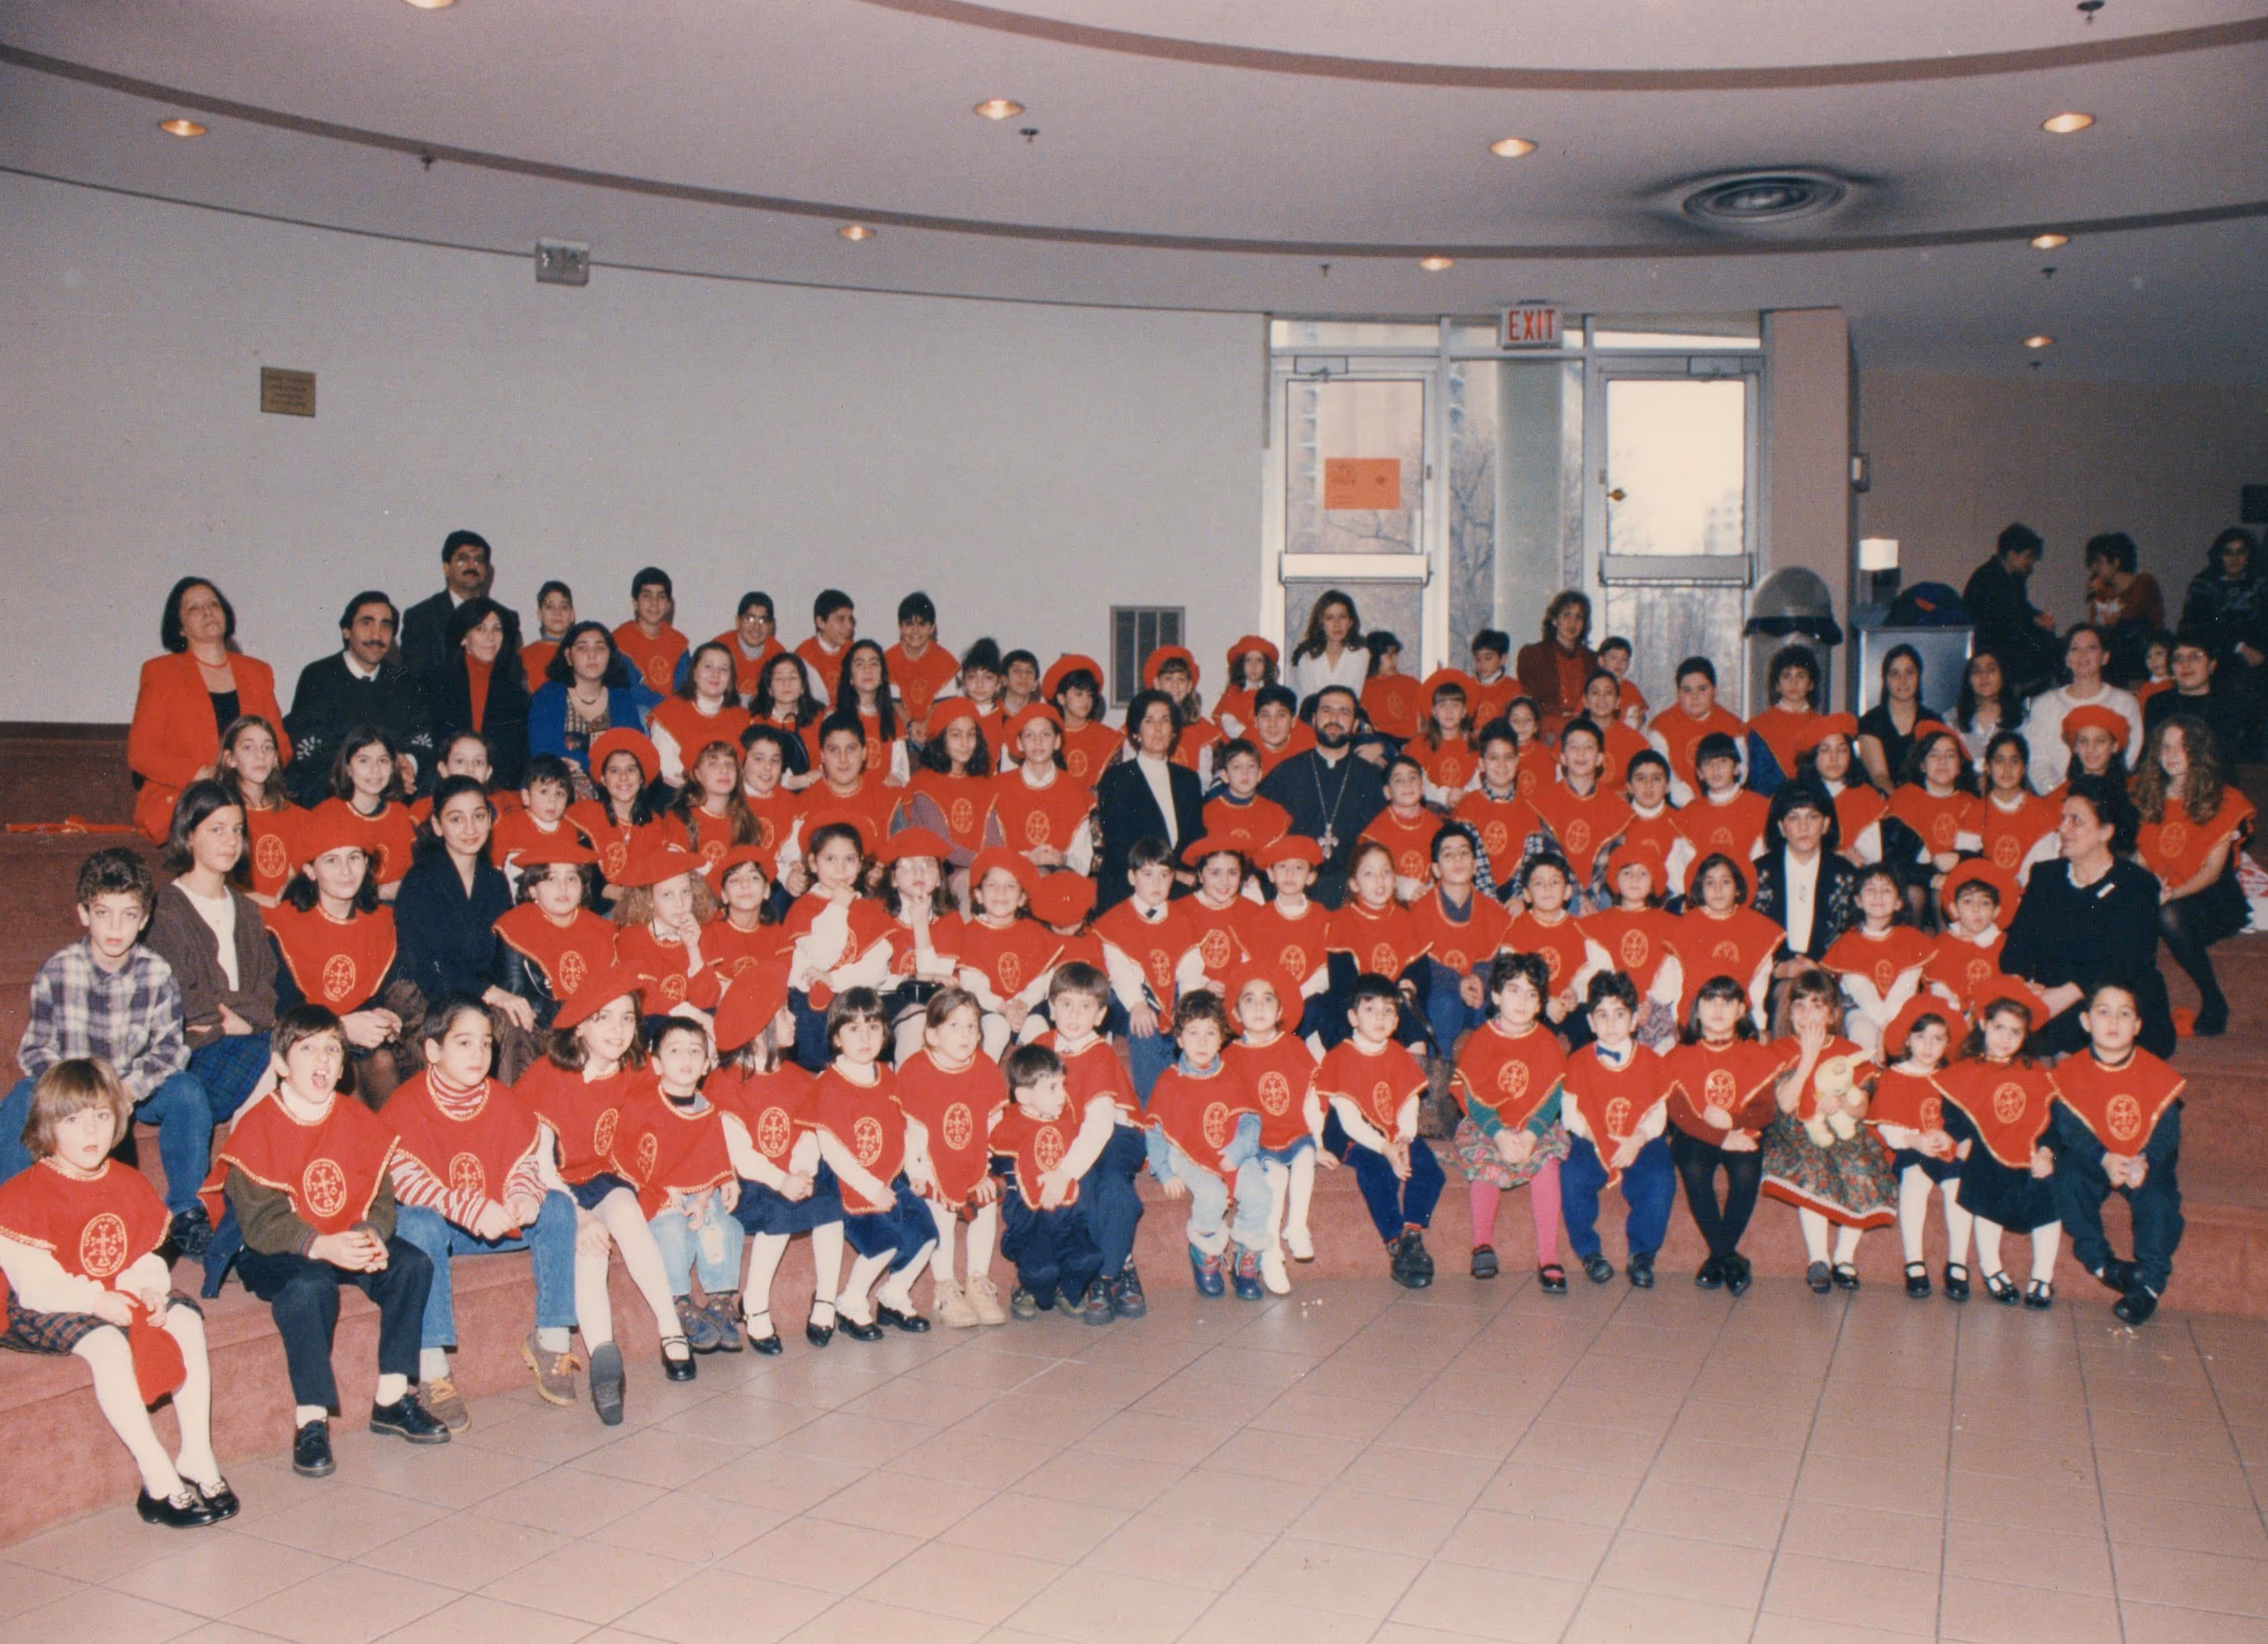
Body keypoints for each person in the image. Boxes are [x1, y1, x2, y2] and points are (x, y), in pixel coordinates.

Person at [202, 1003, 447, 1477]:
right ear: (279, 1064)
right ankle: (311, 1419)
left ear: (344, 1063)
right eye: (307, 1049)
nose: (321, 1061)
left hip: (342, 1234)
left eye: (332, 1050)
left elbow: (379, 1194)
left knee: (411, 1265)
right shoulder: (258, 1127)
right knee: (309, 1287)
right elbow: (262, 1222)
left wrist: (372, 1233)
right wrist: (321, 1244)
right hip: (278, 1248)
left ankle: (393, 1397)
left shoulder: (356, 1119)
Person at [0, 1059, 232, 1526]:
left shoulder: (126, 1181)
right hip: (48, 1303)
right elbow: (35, 1282)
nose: (91, 1131)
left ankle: (197, 1456)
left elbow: (142, 1253)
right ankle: (159, 1477)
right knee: (106, 1345)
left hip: (116, 1293)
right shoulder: (24, 1193)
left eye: (102, 1117)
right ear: (48, 1127)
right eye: (74, 1119)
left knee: (183, 1318)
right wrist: (97, 1302)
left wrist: (146, 1288)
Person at [0, 848, 216, 1257]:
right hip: (72, 1091)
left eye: (128, 915)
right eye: (103, 913)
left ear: (145, 918)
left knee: (187, 1090)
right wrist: (76, 1093)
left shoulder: (156, 973)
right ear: (84, 913)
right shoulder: (58, 969)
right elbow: (35, 1048)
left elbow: (171, 1048)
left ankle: (186, 1210)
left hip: (133, 1087)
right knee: (21, 1098)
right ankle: (7, 1215)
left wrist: (129, 1089)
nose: (115, 927)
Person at [384, 996, 581, 1428]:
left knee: (557, 1208)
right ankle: (433, 1369)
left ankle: (550, 1340)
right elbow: (408, 1181)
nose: (478, 1055)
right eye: (464, 1043)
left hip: (497, 1220)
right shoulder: (405, 1104)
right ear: (433, 1051)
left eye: (486, 1044)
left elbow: (523, 1162)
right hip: (444, 1232)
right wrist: (471, 1209)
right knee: (415, 1223)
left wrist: (523, 1196)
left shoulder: (503, 1100)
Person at [516, 965, 695, 1411]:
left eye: (628, 1018)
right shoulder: (547, 1076)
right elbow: (537, 1163)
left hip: (602, 1174)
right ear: (580, 1027)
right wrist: (579, 1216)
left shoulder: (634, 1071)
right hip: (551, 1185)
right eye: (605, 1018)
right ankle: (603, 1359)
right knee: (591, 1249)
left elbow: (655, 1130)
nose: (619, 1030)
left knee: (627, 1213)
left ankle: (670, 1327)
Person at [706, 960, 846, 1352]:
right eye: (784, 1012)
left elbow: (807, 1137)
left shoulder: (800, 1077)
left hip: (791, 1176)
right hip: (752, 1184)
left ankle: (826, 1301)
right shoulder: (725, 1082)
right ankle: (755, 1303)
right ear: (758, 1031)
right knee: (781, 1212)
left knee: (832, 1205)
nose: (794, 1017)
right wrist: (781, 1179)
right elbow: (740, 1151)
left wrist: (802, 1170)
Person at [2002, 774, 2175, 1057]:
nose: (2063, 829)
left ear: (2106, 831)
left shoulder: (2137, 884)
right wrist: (2023, 982)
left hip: (2113, 998)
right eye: (2063, 819)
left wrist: (2069, 993)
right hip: (2052, 995)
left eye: (2077, 821)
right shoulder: (2046, 876)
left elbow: (2131, 959)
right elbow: (2016, 947)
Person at [2049, 979, 2186, 1325]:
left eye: (2124, 1015)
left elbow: (2167, 1129)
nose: (2113, 1023)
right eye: (2103, 1012)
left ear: (2138, 1026)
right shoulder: (2071, 1073)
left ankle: (2150, 1287)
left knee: (2160, 1201)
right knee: (2066, 1180)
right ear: (2086, 1022)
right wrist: (2104, 1157)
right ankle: (2103, 1265)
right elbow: (2070, 1128)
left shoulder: (2157, 1073)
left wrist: (2146, 1161)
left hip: (2144, 1157)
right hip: (2094, 1154)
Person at [145, 781, 280, 1132]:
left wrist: (248, 1023)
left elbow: (267, 990)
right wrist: (237, 1023)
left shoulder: (248, 910)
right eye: (216, 829)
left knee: (293, 1048)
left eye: (237, 829)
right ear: (188, 836)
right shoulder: (165, 910)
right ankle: (243, 1173)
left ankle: (247, 1171)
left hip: (248, 1039)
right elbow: (184, 1001)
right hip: (192, 1056)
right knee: (279, 1049)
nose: (231, 840)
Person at [264, 813, 424, 1106]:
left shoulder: (383, 922)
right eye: (331, 860)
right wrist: (340, 1026)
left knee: (382, 1061)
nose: (346, 871)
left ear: (366, 864)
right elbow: (284, 1012)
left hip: (373, 1050)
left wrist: (388, 1016)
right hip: (308, 1043)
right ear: (310, 871)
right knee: (350, 1068)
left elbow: (386, 989)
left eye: (354, 857)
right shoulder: (283, 926)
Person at [612, 1016, 745, 1353]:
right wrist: (660, 1195)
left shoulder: (707, 1110)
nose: (686, 1059)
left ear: (706, 1064)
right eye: (675, 1051)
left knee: (721, 1224)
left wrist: (702, 1200)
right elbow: (626, 1157)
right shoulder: (642, 1106)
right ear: (656, 1063)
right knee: (671, 1228)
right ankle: (680, 1303)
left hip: (697, 1192)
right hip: (660, 1195)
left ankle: (720, 1300)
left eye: (694, 1052)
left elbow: (712, 1162)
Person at [809, 988, 937, 1337]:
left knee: (926, 1235)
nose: (865, 1037)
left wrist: (916, 1171)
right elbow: (832, 1149)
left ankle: (894, 1296)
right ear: (837, 1037)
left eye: (874, 1027)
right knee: (886, 1242)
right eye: (854, 1029)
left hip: (891, 1176)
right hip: (848, 1182)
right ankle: (850, 1301)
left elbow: (905, 1133)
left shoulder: (888, 1077)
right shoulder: (830, 1083)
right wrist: (870, 1188)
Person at [1758, 967, 1895, 1292]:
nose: (1808, 1015)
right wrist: (1807, 1058)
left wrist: (1844, 1104)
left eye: (1817, 1006)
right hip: (1796, 1129)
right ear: (1789, 1014)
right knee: (1814, 1163)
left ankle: (1844, 1257)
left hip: (1842, 1129)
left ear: (1833, 1013)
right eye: (1800, 1007)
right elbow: (1786, 1104)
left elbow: (1862, 1108)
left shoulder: (1848, 1050)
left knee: (1861, 1163)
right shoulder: (1779, 1050)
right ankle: (1818, 1258)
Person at [394, 777, 540, 1075]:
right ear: (437, 826)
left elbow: (504, 953)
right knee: (485, 1033)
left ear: (490, 819)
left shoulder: (495, 881)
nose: (470, 828)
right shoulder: (420, 880)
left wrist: (507, 994)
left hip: (479, 993)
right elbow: (428, 963)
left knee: (523, 1025)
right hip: (424, 994)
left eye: (478, 816)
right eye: (456, 819)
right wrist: (491, 994)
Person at [129, 577, 292, 842]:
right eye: (194, 608)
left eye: (213, 604)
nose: (207, 611)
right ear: (180, 627)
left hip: (252, 798)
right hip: (190, 802)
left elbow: (281, 745)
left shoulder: (257, 673)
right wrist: (202, 774)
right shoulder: (161, 673)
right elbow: (141, 754)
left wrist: (256, 770)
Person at [1933, 981, 2062, 1307]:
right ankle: (1992, 1267)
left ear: (2025, 1037)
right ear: (1983, 1025)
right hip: (1987, 1154)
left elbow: (2050, 1116)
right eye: (1999, 1028)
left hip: (2029, 1154)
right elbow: (1953, 1112)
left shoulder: (2036, 1073)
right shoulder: (1966, 1071)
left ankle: (2042, 1276)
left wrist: (2047, 1151)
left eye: (2015, 1032)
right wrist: (1963, 1138)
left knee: (2049, 1198)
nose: (2005, 1038)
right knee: (1984, 1190)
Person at [1314, 973, 1442, 1287]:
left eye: (1388, 1011)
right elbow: (1349, 1120)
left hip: (1393, 1131)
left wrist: (1404, 1138)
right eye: (1371, 1010)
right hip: (1354, 1135)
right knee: (1378, 1172)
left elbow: (1409, 1100)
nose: (1380, 1018)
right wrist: (1385, 1148)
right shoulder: (1340, 1057)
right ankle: (1395, 1241)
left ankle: (1412, 1233)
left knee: (1429, 1170)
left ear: (1397, 1019)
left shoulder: (1397, 1053)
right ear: (1353, 1017)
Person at [1451, 954, 1570, 1290]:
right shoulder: (1482, 1039)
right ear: (1497, 995)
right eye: (1514, 990)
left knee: (1547, 1164)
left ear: (1541, 1003)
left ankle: (1548, 1255)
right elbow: (1473, 1096)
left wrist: (1532, 1135)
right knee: (1485, 1165)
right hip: (1490, 1125)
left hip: (1535, 1125)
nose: (1522, 1000)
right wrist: (1500, 1135)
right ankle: (1482, 1244)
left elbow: (1552, 1096)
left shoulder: (1546, 1041)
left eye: (1532, 994)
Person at [2134, 714, 2254, 1036]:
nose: (2172, 755)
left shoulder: (2224, 799)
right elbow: (2142, 856)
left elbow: (2212, 871)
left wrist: (2171, 893)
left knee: (2168, 915)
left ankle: (2214, 999)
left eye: (2183, 748)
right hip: (2161, 890)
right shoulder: (2148, 794)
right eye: (2166, 747)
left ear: (2198, 752)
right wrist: (2151, 884)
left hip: (2211, 900)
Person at [1145, 992, 1269, 1301]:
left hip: (1233, 1151)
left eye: (1210, 1034)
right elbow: (1156, 1130)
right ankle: (1205, 1249)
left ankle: (1245, 1256)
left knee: (1260, 1195)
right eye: (1193, 1034)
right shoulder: (1169, 1081)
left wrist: (1238, 1151)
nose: (1202, 1043)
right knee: (1212, 1196)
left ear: (1222, 1039)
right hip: (1189, 1155)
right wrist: (1163, 1173)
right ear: (1179, 1039)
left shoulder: (1232, 1074)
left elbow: (1251, 1120)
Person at [1664, 975, 1785, 1293]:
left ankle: (1718, 1257)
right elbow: (1678, 1112)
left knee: (1747, 1170)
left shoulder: (1755, 1054)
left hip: (1741, 1129)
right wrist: (1720, 1137)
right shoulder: (1679, 1056)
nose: (1719, 1008)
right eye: (1710, 1000)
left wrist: (1731, 1123)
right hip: (1696, 1134)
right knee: (1691, 1165)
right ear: (1697, 1011)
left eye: (1728, 1001)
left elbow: (1765, 1110)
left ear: (1741, 1011)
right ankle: (1729, 1258)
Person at [1040, 962, 1148, 1315]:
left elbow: (1100, 1127)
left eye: (1086, 1006)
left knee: (1113, 1185)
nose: (1074, 1015)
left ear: (1101, 1014)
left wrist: (1065, 1170)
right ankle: (1113, 1262)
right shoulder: (1040, 1047)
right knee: (1083, 1188)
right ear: (1051, 1006)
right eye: (1066, 1004)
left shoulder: (1100, 1053)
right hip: (1075, 1137)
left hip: (1117, 1132)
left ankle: (1112, 1272)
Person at [1556, 971, 1676, 1288]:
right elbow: (1570, 1115)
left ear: (1634, 1020)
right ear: (1592, 1023)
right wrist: (1599, 1142)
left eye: (1620, 1015)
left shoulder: (1651, 1060)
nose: (1611, 1025)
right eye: (1602, 1016)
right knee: (1572, 1174)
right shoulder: (1579, 1061)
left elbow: (1657, 1113)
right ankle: (1589, 1251)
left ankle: (1642, 1253)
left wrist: (1637, 1139)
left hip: (1639, 1138)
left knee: (1660, 1176)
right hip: (1592, 1138)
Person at [895, 989, 1006, 1327]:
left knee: (985, 1205)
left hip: (973, 1161)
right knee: (940, 1209)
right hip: (927, 1162)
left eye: (973, 1026)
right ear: (931, 1034)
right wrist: (920, 1173)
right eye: (955, 1025)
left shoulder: (984, 1067)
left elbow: (993, 1125)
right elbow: (911, 1134)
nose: (966, 1034)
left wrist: (988, 1167)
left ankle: (977, 1280)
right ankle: (945, 1287)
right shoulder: (917, 1069)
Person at [991, 1042, 1108, 1321]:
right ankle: (1033, 1289)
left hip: (1069, 1219)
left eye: (1062, 1086)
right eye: (1053, 1088)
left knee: (1089, 1259)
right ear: (1024, 1095)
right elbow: (995, 1164)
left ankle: (1065, 1291)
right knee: (1042, 1272)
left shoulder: (1066, 1121)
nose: (1062, 1095)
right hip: (1033, 1223)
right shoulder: (1010, 1126)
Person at [1865, 995, 1971, 1301]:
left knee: (1956, 1188)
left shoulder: (1951, 1078)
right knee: (1914, 1182)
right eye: (1921, 1037)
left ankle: (1957, 1263)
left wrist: (1952, 1139)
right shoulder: (1895, 1077)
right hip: (1910, 1147)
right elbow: (1886, 1125)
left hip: (1945, 1148)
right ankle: (1914, 1261)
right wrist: (1914, 1140)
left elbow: (1964, 1119)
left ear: (1948, 1043)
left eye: (1937, 1039)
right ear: (1908, 1040)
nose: (1928, 1046)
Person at [284, 592, 435, 804]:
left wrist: (407, 764)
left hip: (396, 793)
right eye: (367, 623)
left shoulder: (405, 681)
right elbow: (311, 744)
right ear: (347, 631)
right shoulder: (318, 676)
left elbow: (422, 736)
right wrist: (373, 773)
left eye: (386, 626)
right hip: (335, 794)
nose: (377, 634)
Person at [1258, 685, 1391, 906]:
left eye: (1344, 712)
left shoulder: (1373, 779)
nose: (1334, 718)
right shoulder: (1285, 774)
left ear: (1356, 725)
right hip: (1296, 896)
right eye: (1327, 711)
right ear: (1314, 719)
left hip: (1355, 896)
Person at [529, 621, 660, 784]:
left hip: (613, 792)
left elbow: (630, 754)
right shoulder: (548, 695)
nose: (592, 655)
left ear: (610, 656)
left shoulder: (621, 699)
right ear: (569, 656)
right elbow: (545, 753)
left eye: (600, 648)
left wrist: (582, 764)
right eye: (582, 648)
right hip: (559, 790)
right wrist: (602, 765)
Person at [2020, 624, 2142, 792]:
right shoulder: (2044, 705)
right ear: (2068, 660)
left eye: (2092, 647)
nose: (2083, 654)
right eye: (2075, 649)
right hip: (2057, 799)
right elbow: (2037, 762)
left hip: (2110, 797)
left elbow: (2128, 758)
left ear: (2105, 657)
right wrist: (2064, 799)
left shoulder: (2126, 703)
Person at [1749, 779, 1859, 967]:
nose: (1804, 826)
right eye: (1794, 818)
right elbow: (1750, 938)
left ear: (1825, 825)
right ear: (1782, 827)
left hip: (1828, 975)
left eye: (1813, 817)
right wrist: (1781, 970)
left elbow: (1854, 939)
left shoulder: (1846, 875)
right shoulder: (1758, 873)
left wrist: (1821, 970)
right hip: (1773, 976)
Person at [399, 530, 522, 685]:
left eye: (479, 560)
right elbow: (413, 679)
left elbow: (511, 678)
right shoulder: (421, 617)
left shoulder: (507, 618)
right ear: (446, 567)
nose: (472, 566)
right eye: (463, 559)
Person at [1963, 522, 2061, 694]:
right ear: (2012, 554)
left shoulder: (2013, 578)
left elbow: (2023, 611)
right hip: (1995, 646)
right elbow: (2003, 621)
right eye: (2028, 557)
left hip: (2008, 643)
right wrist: (2034, 621)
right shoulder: (1986, 580)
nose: (2030, 563)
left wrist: (2038, 617)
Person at [1646, 657, 1749, 804]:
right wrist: (1688, 802)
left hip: (1724, 801)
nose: (1695, 697)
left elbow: (1741, 769)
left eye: (1702, 689)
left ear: (1714, 690)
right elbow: (1662, 772)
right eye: (1687, 691)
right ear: (1678, 693)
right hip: (1678, 804)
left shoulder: (1732, 725)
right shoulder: (1661, 727)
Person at [2145, 630, 2252, 759]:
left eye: (2195, 656)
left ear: (2212, 666)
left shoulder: (2231, 705)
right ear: (2171, 668)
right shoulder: (2157, 703)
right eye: (2179, 658)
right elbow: (2153, 754)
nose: (2186, 664)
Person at [2083, 532, 2164, 679]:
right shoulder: (2105, 592)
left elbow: (2130, 614)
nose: (2095, 569)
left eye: (2100, 562)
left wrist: (2102, 595)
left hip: (2143, 655)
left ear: (2116, 563)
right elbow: (2096, 623)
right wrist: (2099, 596)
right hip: (2115, 658)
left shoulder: (2144, 583)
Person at [1857, 645, 1934, 795]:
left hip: (1926, 802)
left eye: (1910, 673)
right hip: (1884, 803)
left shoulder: (1933, 721)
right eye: (1895, 674)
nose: (1903, 680)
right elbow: (1880, 777)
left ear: (1919, 676)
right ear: (1885, 679)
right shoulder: (1870, 722)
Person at [1514, 591, 1596, 730]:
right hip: (1547, 730)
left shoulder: (1593, 659)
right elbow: (1532, 702)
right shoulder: (1533, 655)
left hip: (1583, 730)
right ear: (1554, 620)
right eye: (1567, 615)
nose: (1573, 623)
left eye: (1579, 617)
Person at [886, 591, 959, 735]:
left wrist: (925, 728)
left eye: (922, 624)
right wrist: (911, 725)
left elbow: (943, 706)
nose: (915, 631)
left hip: (934, 730)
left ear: (932, 628)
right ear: (900, 627)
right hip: (899, 729)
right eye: (909, 624)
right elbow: (893, 704)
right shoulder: (888, 659)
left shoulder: (945, 661)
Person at [611, 566, 689, 696]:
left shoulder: (679, 643)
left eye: (661, 597)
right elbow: (630, 691)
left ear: (669, 605)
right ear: (635, 603)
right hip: (637, 711)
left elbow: (683, 689)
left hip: (671, 712)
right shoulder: (620, 640)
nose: (654, 603)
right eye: (647, 596)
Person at [1289, 589, 1369, 704]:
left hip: (1347, 717)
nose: (1337, 624)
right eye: (1330, 618)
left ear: (1350, 622)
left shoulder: (1361, 654)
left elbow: (1354, 699)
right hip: (1314, 718)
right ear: (1321, 623)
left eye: (1342, 617)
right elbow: (1309, 702)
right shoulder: (1307, 656)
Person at [709, 591, 786, 698]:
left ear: (771, 626)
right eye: (750, 619)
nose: (756, 627)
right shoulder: (719, 649)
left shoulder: (778, 655)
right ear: (738, 621)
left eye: (763, 620)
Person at [1953, 649, 2015, 768]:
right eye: (1977, 671)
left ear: (2003, 675)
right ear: (1969, 679)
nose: (1984, 676)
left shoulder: (2020, 724)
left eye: (1991, 670)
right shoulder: (1952, 721)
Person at [797, 589, 858, 704]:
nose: (849, 626)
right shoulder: (804, 655)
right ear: (821, 622)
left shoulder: (853, 652)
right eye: (841, 620)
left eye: (850, 619)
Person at [1215, 635, 1281, 739]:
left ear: (1266, 666)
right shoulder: (1233, 694)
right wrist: (1251, 736)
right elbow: (1229, 723)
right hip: (1243, 746)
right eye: (1248, 660)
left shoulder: (1274, 694)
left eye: (1259, 661)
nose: (1254, 666)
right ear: (1241, 665)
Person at [520, 581, 576, 694]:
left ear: (572, 615)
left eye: (564, 607)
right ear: (540, 615)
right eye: (550, 607)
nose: (557, 612)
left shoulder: (584, 653)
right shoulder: (522, 656)